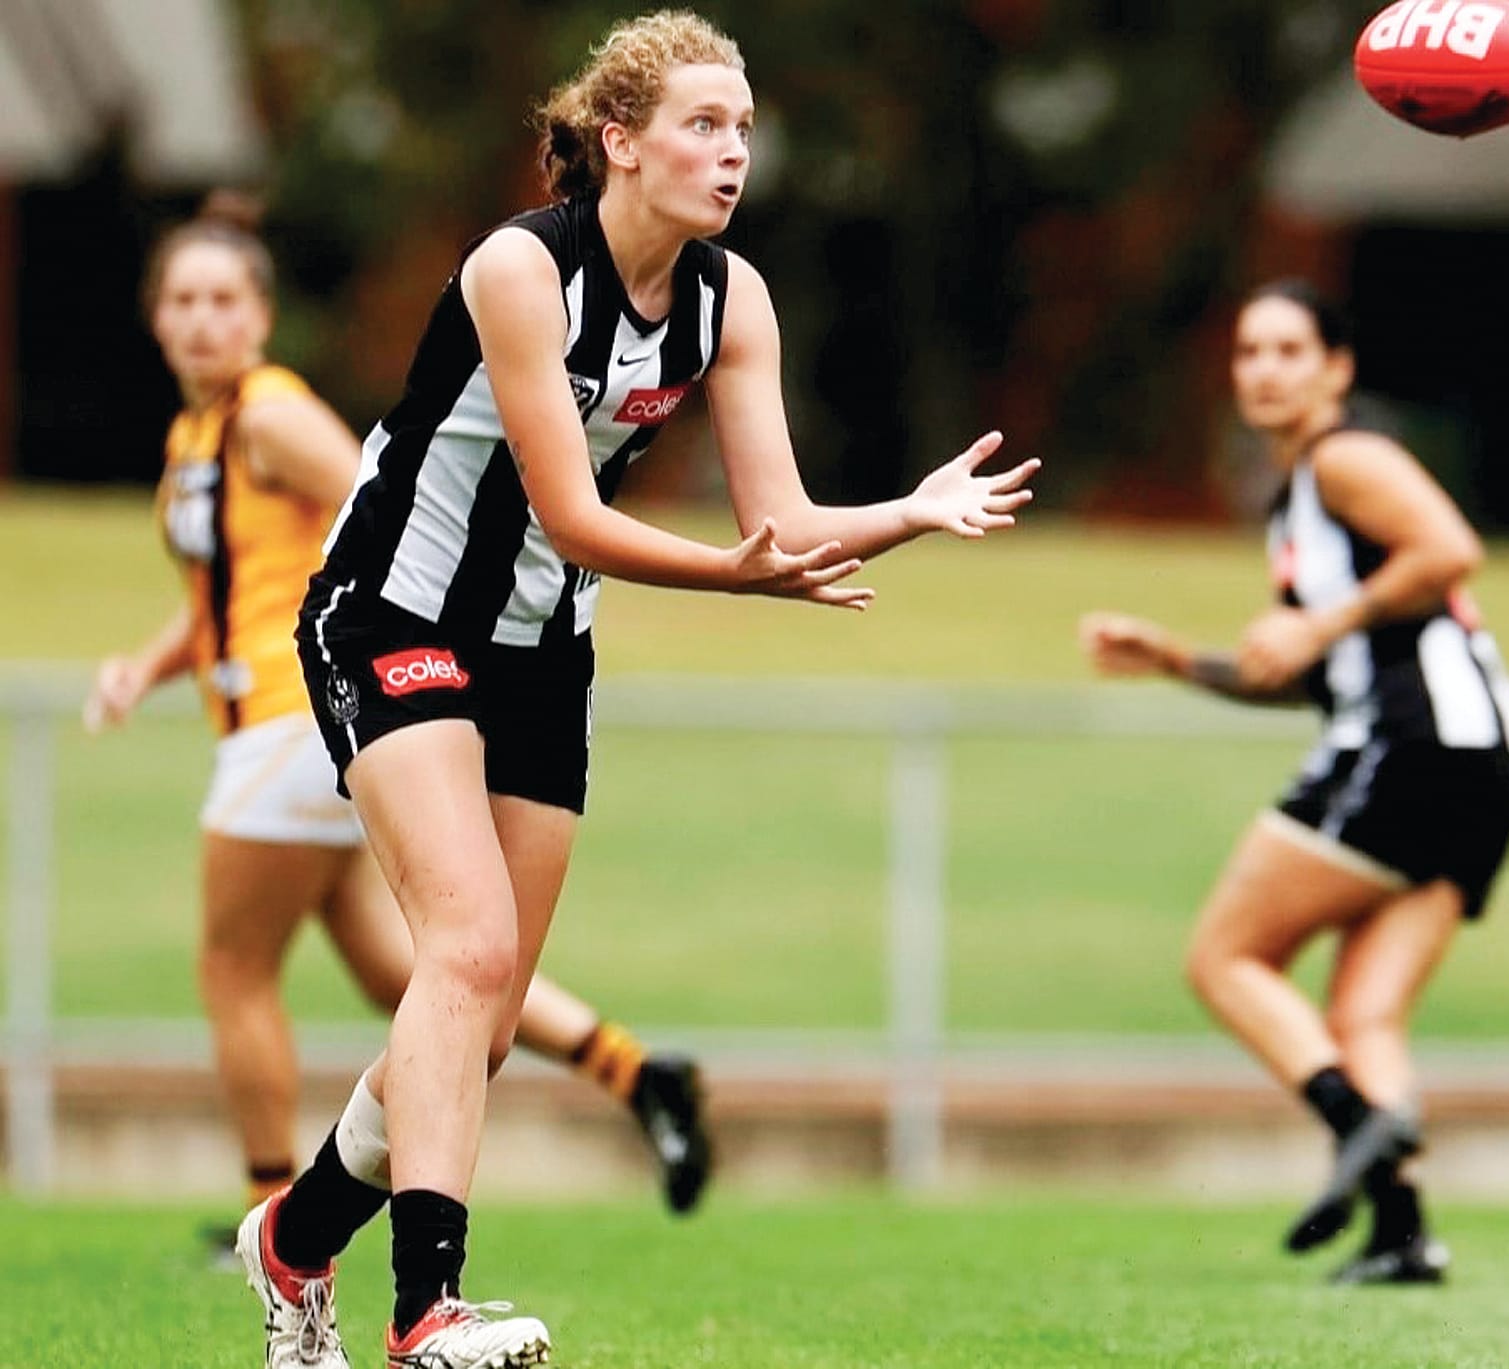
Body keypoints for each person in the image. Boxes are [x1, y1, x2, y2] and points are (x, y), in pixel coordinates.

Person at [238, 12, 1038, 1369]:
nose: (733, 154)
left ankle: (293, 1241)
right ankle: (426, 1313)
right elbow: (573, 513)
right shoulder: (520, 269)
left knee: (483, 1026)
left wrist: (909, 509)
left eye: (743, 129)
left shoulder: (732, 300)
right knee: (466, 951)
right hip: (393, 613)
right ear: (618, 140)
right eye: (702, 125)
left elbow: (780, 521)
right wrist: (736, 578)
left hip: (544, 648)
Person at [86, 196, 715, 1268]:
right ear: (153, 318)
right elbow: (225, 590)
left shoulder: (269, 416)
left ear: (263, 316)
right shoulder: (195, 434)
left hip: (310, 713)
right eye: (182, 301)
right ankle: (627, 1067)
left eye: (223, 300)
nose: (202, 321)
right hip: (299, 719)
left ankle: (267, 1210)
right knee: (425, 975)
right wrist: (147, 667)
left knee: (235, 969)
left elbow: (383, 513)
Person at [1079, 279, 1509, 1286]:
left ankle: (1356, 1118)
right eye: (1248, 352)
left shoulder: (1344, 459)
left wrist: (1320, 623)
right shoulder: (1297, 502)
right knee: (1363, 1011)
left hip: (1417, 746)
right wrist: (1173, 659)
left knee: (1224, 956)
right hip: (1485, 761)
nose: (1264, 370)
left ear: (1337, 368)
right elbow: (1302, 673)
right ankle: (1401, 1234)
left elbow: (1450, 550)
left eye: (1289, 350)